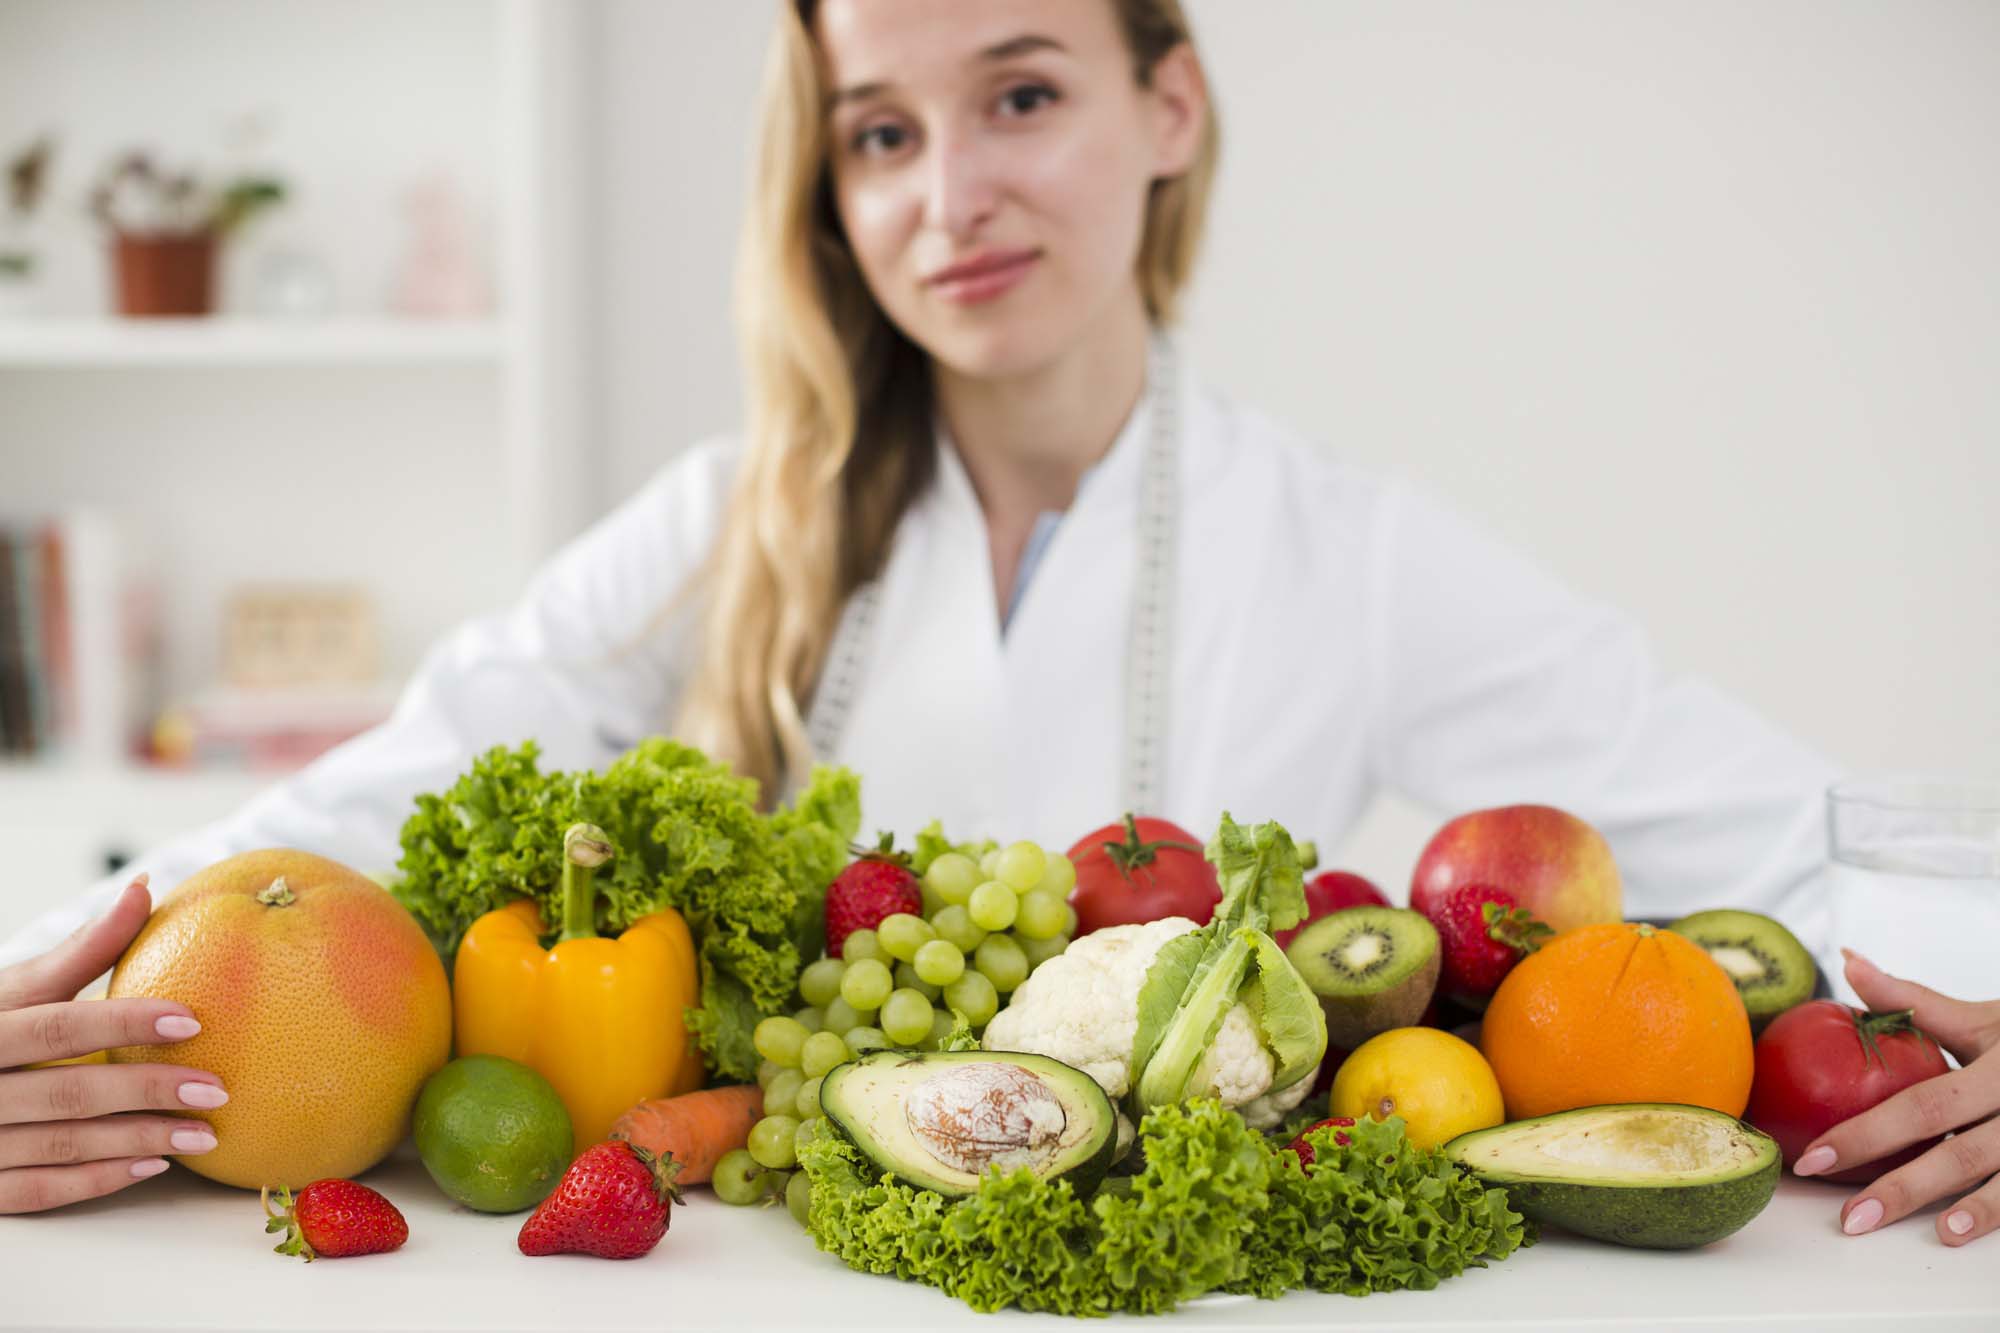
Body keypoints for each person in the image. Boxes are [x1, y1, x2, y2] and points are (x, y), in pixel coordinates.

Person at [0, 0, 1990, 1240]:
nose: (947, 193)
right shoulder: (730, 518)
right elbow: (383, 792)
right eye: (880, 131)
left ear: (1170, 105)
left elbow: (1778, 829)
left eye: (1019, 93)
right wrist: (54, 997)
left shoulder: (1347, 546)